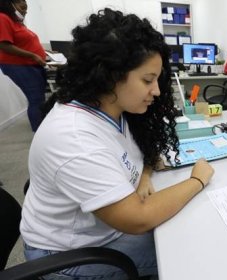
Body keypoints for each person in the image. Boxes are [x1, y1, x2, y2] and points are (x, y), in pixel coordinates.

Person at [20, 8, 214, 279]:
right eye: (148, 80)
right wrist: (197, 180)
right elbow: (138, 217)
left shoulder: (113, 110)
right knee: (191, 255)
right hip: (68, 255)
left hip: (104, 231)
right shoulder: (74, 137)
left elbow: (138, 154)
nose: (156, 91)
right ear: (110, 75)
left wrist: (144, 175)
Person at [0, 0, 46, 131]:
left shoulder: (15, 21)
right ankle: (39, 131)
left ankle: (43, 128)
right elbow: (4, 45)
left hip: (30, 64)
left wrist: (44, 52)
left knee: (39, 98)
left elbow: (25, 42)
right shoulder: (2, 18)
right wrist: (33, 55)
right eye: (23, 7)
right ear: (11, 4)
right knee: (36, 99)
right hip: (18, 65)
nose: (25, 11)